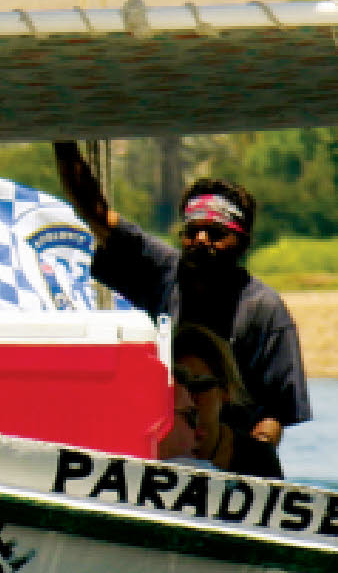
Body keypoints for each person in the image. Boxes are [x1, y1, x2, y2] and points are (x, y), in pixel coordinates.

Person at [51, 148, 309, 477]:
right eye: (192, 231)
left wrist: (242, 466)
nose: (201, 240)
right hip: (168, 451)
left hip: (235, 462)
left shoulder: (264, 309)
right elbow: (96, 212)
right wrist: (63, 139)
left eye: (216, 234)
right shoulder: (162, 271)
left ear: (241, 243)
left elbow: (275, 414)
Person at [160, 324, 279, 477]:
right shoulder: (154, 447)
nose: (188, 396)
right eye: (180, 382)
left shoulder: (258, 457)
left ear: (225, 391)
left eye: (201, 384)